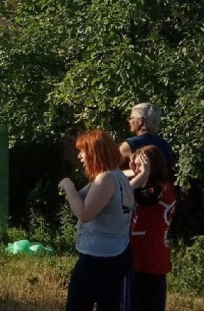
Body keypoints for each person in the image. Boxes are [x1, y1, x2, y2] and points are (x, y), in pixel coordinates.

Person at [59, 130, 138, 311]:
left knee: (78, 305)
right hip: (116, 253)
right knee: (109, 304)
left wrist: (68, 186)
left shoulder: (105, 179)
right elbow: (81, 200)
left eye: (83, 151)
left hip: (99, 257)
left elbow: (85, 214)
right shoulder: (117, 175)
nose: (79, 156)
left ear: (95, 152)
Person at [129, 146, 176, 311]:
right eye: (135, 166)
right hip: (138, 258)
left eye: (140, 166)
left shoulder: (161, 190)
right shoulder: (151, 187)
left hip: (151, 260)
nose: (137, 171)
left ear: (152, 166)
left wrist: (143, 173)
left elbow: (135, 195)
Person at [120, 102, 175, 174]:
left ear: (140, 121)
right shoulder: (166, 144)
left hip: (138, 184)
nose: (130, 121)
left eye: (131, 118)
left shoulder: (129, 145)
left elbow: (111, 169)